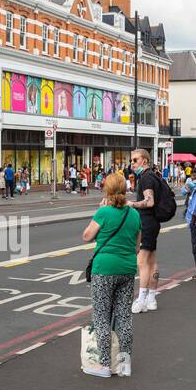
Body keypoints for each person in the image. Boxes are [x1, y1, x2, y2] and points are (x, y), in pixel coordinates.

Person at [81, 172, 140, 377]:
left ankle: (105, 365)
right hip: (127, 268)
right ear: (125, 190)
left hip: (104, 269)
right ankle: (125, 364)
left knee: (101, 316)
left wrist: (99, 212)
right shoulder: (134, 214)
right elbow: (137, 248)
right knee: (124, 316)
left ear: (107, 190)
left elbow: (87, 236)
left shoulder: (104, 212)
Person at [128, 146, 161, 313]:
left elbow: (149, 201)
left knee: (142, 262)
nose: (132, 163)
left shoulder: (146, 178)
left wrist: (132, 204)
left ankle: (141, 300)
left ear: (145, 161)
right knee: (152, 261)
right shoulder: (152, 176)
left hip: (147, 223)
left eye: (135, 160)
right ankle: (152, 298)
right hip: (153, 222)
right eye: (131, 160)